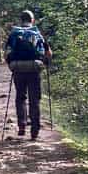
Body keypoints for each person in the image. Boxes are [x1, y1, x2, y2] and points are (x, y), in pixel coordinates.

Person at [5, 10, 52, 140]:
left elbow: (7, 53)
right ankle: (35, 130)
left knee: (20, 97)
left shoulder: (14, 34)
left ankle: (22, 125)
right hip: (34, 68)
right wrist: (46, 63)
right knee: (34, 99)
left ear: (21, 20)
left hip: (18, 68)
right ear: (32, 20)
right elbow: (48, 53)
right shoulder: (37, 33)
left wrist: (11, 65)